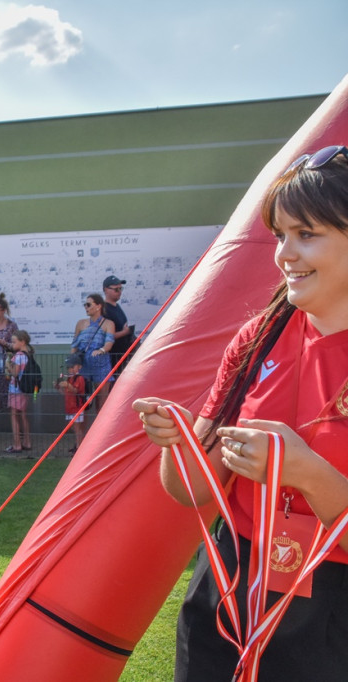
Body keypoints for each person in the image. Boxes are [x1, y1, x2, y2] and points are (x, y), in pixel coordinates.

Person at [133, 144, 348, 681]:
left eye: (307, 234)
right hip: (230, 579)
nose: (285, 254)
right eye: (280, 235)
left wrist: (306, 474)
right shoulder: (258, 337)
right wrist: (178, 440)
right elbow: (193, 490)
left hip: (333, 600)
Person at [71, 293, 116, 410]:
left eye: (88, 304)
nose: (86, 307)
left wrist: (101, 350)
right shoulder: (81, 323)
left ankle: (102, 427)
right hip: (83, 365)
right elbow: (74, 344)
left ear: (98, 306)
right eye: (85, 305)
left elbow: (109, 343)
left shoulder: (108, 323)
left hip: (101, 365)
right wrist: (72, 362)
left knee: (102, 400)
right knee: (81, 398)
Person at [4, 330, 34, 454]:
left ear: (22, 342)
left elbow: (15, 373)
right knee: (23, 415)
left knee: (14, 415)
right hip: (25, 389)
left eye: (14, 342)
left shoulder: (18, 356)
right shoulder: (29, 355)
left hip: (15, 389)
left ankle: (17, 444)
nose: (12, 344)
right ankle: (27, 441)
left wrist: (8, 365)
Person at [0, 292, 19, 410]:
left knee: (9, 399)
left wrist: (3, 343)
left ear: (3, 311)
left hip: (7, 367)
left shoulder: (12, 325)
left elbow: (17, 345)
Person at [102, 275, 134, 373]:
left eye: (121, 288)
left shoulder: (117, 307)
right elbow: (104, 336)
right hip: (112, 358)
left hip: (123, 356)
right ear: (106, 290)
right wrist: (125, 332)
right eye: (116, 289)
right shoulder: (104, 310)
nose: (119, 292)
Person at [56, 353, 86, 454]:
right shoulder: (69, 378)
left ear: (79, 367)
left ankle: (79, 448)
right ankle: (78, 445)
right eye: (69, 368)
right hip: (69, 407)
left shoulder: (79, 378)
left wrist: (67, 385)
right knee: (73, 427)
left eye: (73, 367)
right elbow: (65, 393)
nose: (70, 370)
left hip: (77, 407)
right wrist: (58, 387)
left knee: (77, 428)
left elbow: (76, 390)